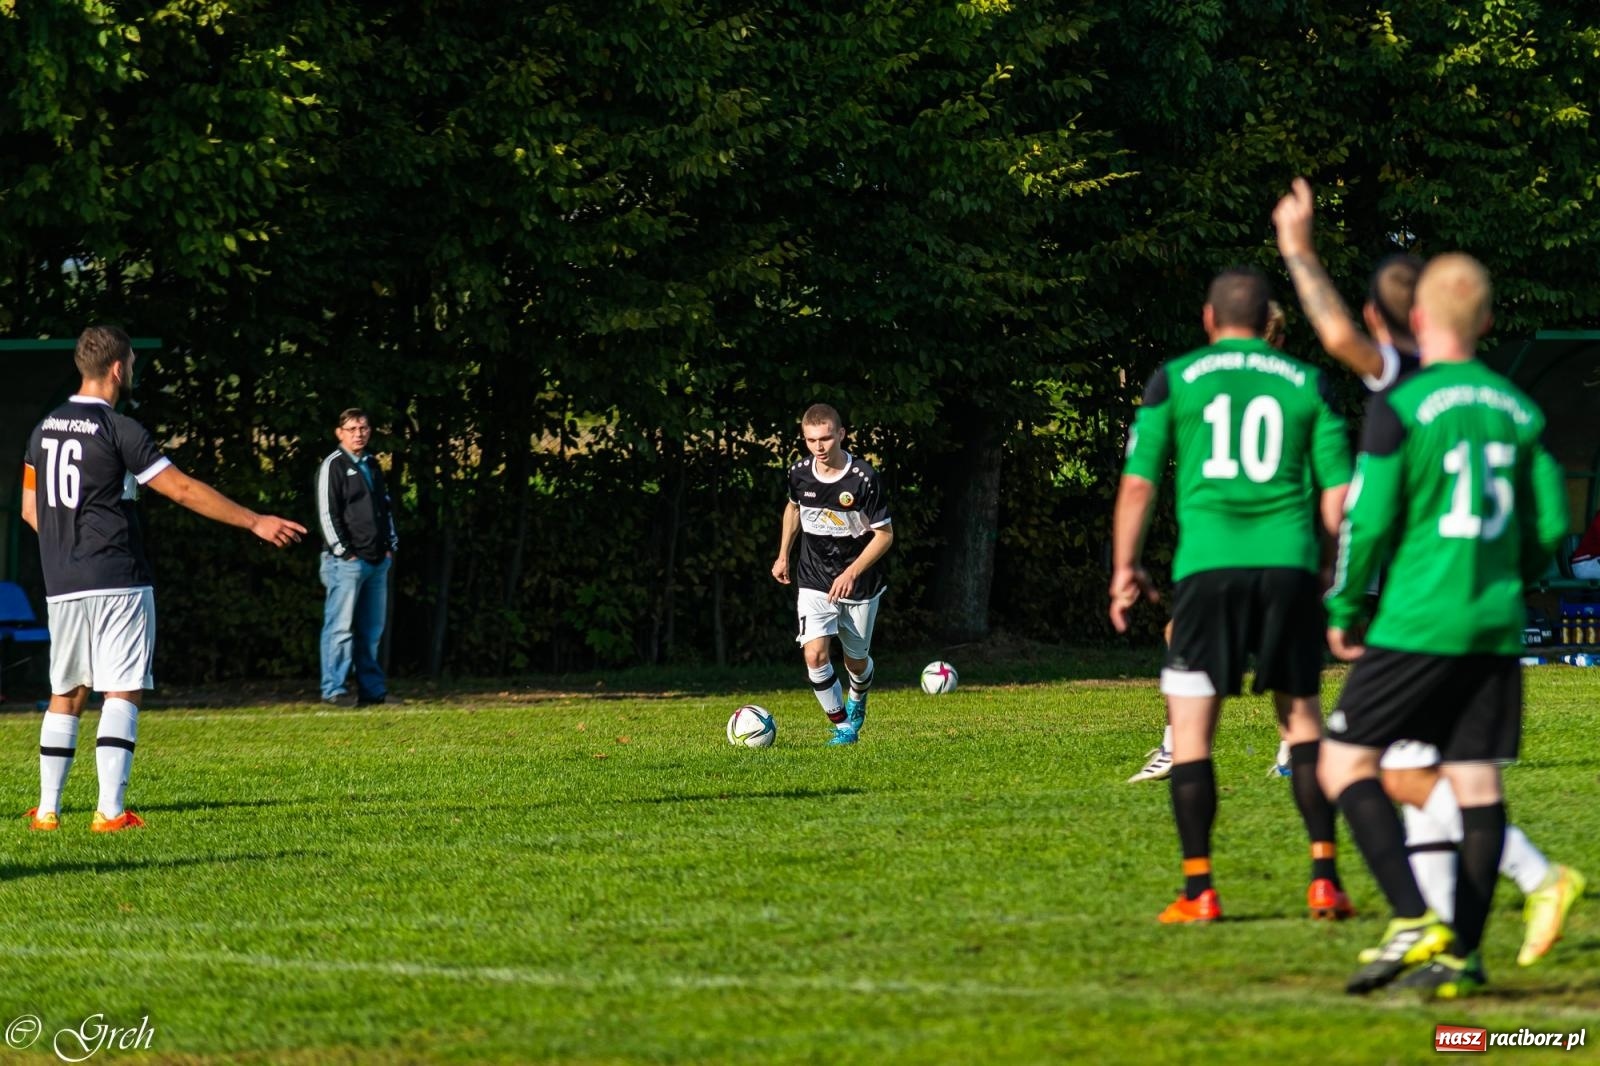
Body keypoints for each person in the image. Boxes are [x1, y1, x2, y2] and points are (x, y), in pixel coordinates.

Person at [1276, 179, 1585, 969]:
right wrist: (1511, 576)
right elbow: (1551, 526)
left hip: (1418, 615)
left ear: (1413, 321)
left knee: (1348, 764)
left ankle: (1422, 920)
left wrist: (1342, 604)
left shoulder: (1403, 396)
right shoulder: (1519, 407)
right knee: (1466, 787)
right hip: (1493, 619)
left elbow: (1367, 518)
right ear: (1488, 321)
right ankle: (1462, 955)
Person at [1111, 268, 1355, 923]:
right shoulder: (1308, 382)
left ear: (1209, 319)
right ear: (1268, 320)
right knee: (1301, 724)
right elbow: (1338, 492)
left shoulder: (1176, 378)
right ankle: (1325, 880)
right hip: (1287, 566)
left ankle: (1200, 890)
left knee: (1193, 735)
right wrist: (1327, 566)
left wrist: (1125, 566)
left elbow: (1138, 484)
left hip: (1208, 569)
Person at [20, 325, 305, 832]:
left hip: (63, 581)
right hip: (118, 578)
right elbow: (182, 489)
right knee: (122, 689)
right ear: (117, 368)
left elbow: (29, 508)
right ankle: (110, 812)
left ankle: (47, 811)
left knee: (66, 690)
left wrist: (69, 546)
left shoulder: (44, 429)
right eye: (130, 363)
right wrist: (254, 521)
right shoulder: (119, 429)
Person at [1127, 303, 1291, 785]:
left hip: (1227, 544)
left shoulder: (1199, 382)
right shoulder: (1298, 385)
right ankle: (1293, 750)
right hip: (1283, 545)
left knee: (1184, 636)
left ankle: (1177, 747)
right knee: (1279, 650)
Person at [771, 404, 893, 746]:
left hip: (859, 582)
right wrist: (783, 554)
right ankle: (843, 727)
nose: (819, 447)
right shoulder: (799, 473)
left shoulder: (863, 478)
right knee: (814, 655)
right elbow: (794, 508)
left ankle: (858, 694)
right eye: (811, 440)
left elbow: (885, 535)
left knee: (856, 662)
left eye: (825, 438)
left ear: (841, 434)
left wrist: (851, 572)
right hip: (813, 577)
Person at [316, 408, 399, 707]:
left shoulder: (372, 464)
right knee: (340, 628)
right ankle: (334, 689)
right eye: (352, 429)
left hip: (376, 560)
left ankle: (372, 690)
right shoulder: (333, 465)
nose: (358, 434)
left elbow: (384, 507)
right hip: (346, 563)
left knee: (371, 630)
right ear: (339, 433)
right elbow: (328, 512)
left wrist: (389, 544)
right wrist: (344, 552)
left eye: (363, 428)